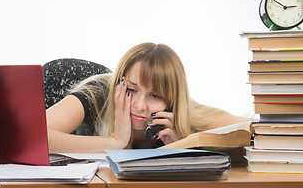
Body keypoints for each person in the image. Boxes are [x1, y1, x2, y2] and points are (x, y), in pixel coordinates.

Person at [46, 42, 249, 153]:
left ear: (172, 101)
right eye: (132, 90)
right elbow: (33, 136)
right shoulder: (99, 92)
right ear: (119, 83)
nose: (140, 105)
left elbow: (254, 129)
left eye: (155, 95)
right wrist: (115, 141)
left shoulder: (185, 112)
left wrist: (182, 148)